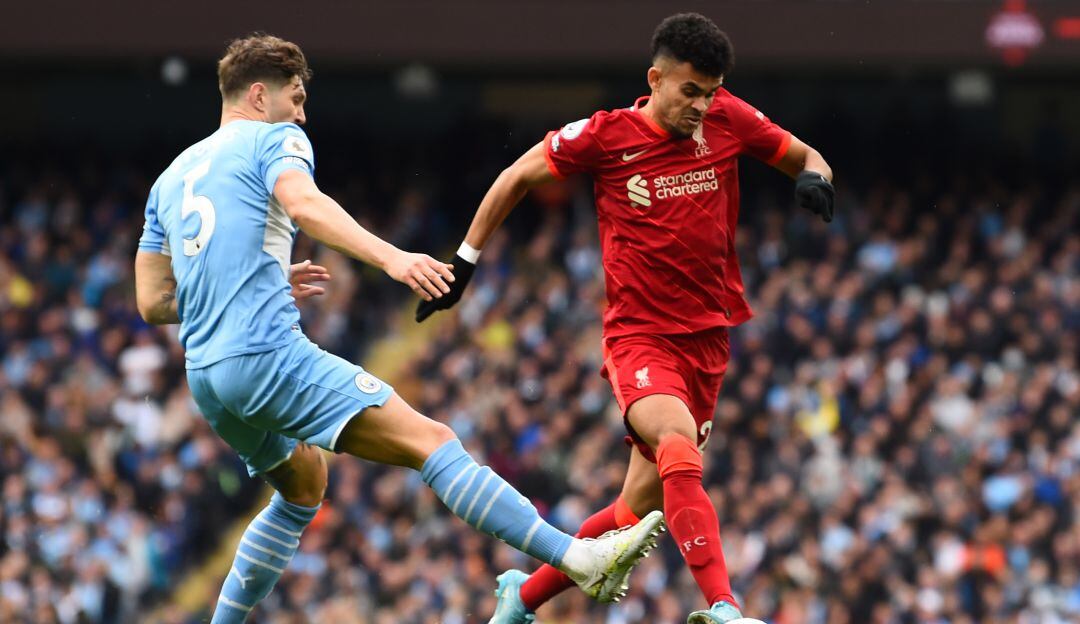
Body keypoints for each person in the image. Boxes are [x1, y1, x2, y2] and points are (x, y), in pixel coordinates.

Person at [133, 33, 664, 624]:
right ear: (260, 95)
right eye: (297, 97)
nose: (303, 113)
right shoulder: (275, 137)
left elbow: (154, 302)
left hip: (207, 376)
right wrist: (394, 258)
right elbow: (304, 204)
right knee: (431, 443)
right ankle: (577, 559)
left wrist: (260, 277)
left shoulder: (172, 176)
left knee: (304, 484)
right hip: (265, 356)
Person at [415, 12, 835, 624]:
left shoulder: (728, 117)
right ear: (656, 79)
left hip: (709, 341)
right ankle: (723, 606)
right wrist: (466, 263)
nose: (700, 105)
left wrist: (817, 178)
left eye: (710, 92)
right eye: (689, 91)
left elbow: (808, 156)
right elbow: (517, 176)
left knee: (633, 511)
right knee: (676, 442)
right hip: (640, 337)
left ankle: (521, 597)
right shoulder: (606, 136)